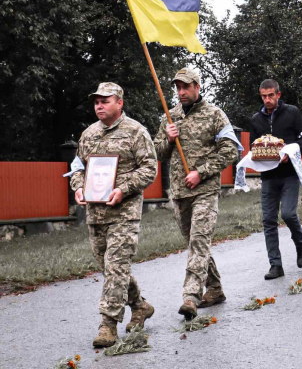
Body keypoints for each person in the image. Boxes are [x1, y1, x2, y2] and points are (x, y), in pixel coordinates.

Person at [71, 82, 158, 347]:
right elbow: (77, 167)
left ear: (119, 103)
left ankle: (108, 324)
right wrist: (77, 187)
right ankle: (140, 306)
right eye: (96, 101)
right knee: (109, 268)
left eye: (105, 100)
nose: (99, 105)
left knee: (116, 266)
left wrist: (123, 188)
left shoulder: (136, 131)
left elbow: (149, 168)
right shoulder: (88, 134)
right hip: (96, 214)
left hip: (124, 212)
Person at [154, 67, 239, 320]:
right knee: (195, 244)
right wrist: (168, 139)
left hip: (205, 191)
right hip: (179, 193)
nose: (181, 92)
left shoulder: (215, 115)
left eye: (186, 87)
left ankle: (191, 296)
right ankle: (214, 288)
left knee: (199, 241)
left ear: (197, 87)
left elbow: (230, 150)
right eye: (178, 88)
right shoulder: (170, 116)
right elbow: (158, 153)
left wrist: (201, 172)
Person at [250, 79, 302, 280]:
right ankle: (275, 265)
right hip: (268, 177)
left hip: (290, 174)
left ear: (279, 94)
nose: (267, 100)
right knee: (268, 221)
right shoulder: (256, 119)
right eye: (263, 96)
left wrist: (291, 151)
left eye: (271, 95)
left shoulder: (292, 112)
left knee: (287, 214)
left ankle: (301, 245)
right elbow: (255, 145)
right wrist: (258, 153)